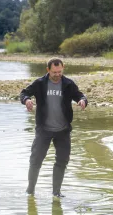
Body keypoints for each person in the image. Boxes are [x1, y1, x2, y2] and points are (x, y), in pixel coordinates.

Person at [19, 58, 88, 198]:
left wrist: (83, 101)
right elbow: (24, 93)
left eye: (60, 71)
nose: (57, 74)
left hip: (62, 130)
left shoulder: (68, 84)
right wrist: (27, 100)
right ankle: (30, 191)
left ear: (63, 69)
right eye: (54, 72)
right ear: (48, 70)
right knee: (35, 160)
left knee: (62, 161)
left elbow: (80, 95)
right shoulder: (40, 83)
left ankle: (56, 193)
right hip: (43, 130)